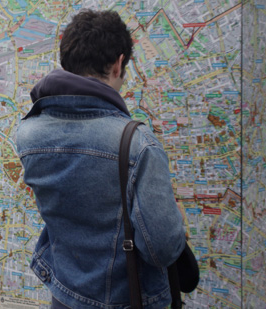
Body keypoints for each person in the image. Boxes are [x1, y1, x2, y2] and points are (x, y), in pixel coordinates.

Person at [16, 9, 186, 308]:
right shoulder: (138, 144)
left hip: (64, 294)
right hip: (125, 300)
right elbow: (162, 249)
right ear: (119, 64)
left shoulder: (28, 135)